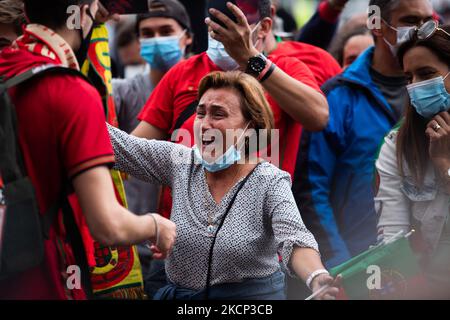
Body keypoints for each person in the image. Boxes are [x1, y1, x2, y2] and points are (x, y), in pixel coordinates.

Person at [108, 70, 340, 300]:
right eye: (200, 113)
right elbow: (116, 144)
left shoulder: (269, 180)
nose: (205, 124)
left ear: (251, 127)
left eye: (218, 114)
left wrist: (316, 277)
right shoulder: (181, 163)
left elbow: (295, 240)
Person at [0, 0, 176, 299]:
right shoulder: (71, 90)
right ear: (86, 11)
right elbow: (108, 226)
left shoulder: (9, 65)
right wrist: (157, 225)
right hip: (42, 276)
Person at [132, 0, 330, 221]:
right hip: (182, 230)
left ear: (263, 27)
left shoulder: (285, 70)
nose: (224, 35)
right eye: (217, 24)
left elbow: (318, 116)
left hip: (257, 232)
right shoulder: (183, 73)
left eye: (235, 24)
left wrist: (251, 61)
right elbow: (135, 149)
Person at [294, 0, 434, 269]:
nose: (421, 31)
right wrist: (341, 266)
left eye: (428, 20)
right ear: (377, 23)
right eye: (410, 21)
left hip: (429, 268)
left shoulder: (439, 92)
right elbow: (312, 191)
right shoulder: (338, 97)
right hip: (357, 261)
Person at [110, 0, 193, 298]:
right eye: (148, 32)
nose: (157, 39)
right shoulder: (123, 92)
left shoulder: (210, 90)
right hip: (139, 242)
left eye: (165, 31)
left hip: (192, 245)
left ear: (187, 37)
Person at [376, 22, 450, 299]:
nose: (415, 87)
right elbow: (392, 243)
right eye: (409, 77)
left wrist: (444, 166)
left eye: (427, 74)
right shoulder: (397, 147)